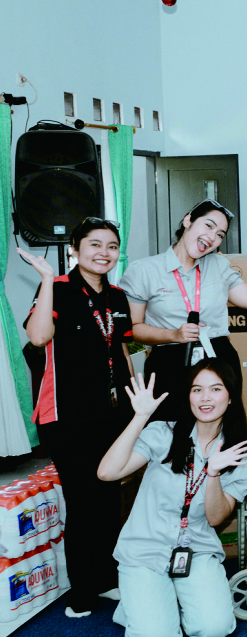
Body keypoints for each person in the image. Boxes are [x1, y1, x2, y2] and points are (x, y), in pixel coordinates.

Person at [97, 363, 247, 637]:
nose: (205, 398)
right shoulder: (163, 433)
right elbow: (107, 473)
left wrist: (213, 473)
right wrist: (140, 417)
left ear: (231, 396)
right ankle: (141, 603)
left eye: (216, 389)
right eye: (197, 389)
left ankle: (161, 601)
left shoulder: (240, 456)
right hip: (144, 549)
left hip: (196, 550)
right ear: (188, 396)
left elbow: (216, 518)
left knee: (214, 629)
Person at [20, 219, 135, 616]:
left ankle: (105, 578)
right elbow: (38, 337)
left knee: (108, 498)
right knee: (83, 501)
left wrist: (134, 402)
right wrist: (46, 280)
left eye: (112, 246)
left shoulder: (117, 297)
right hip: (67, 416)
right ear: (75, 249)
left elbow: (120, 351)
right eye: (95, 244)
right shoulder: (58, 289)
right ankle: (82, 589)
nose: (104, 252)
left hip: (112, 413)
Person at [122, 200, 247, 424]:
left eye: (220, 234)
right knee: (169, 432)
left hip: (218, 356)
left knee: (225, 430)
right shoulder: (144, 270)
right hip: (169, 362)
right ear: (188, 220)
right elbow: (133, 328)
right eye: (208, 225)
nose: (212, 237)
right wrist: (173, 335)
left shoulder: (219, 265)